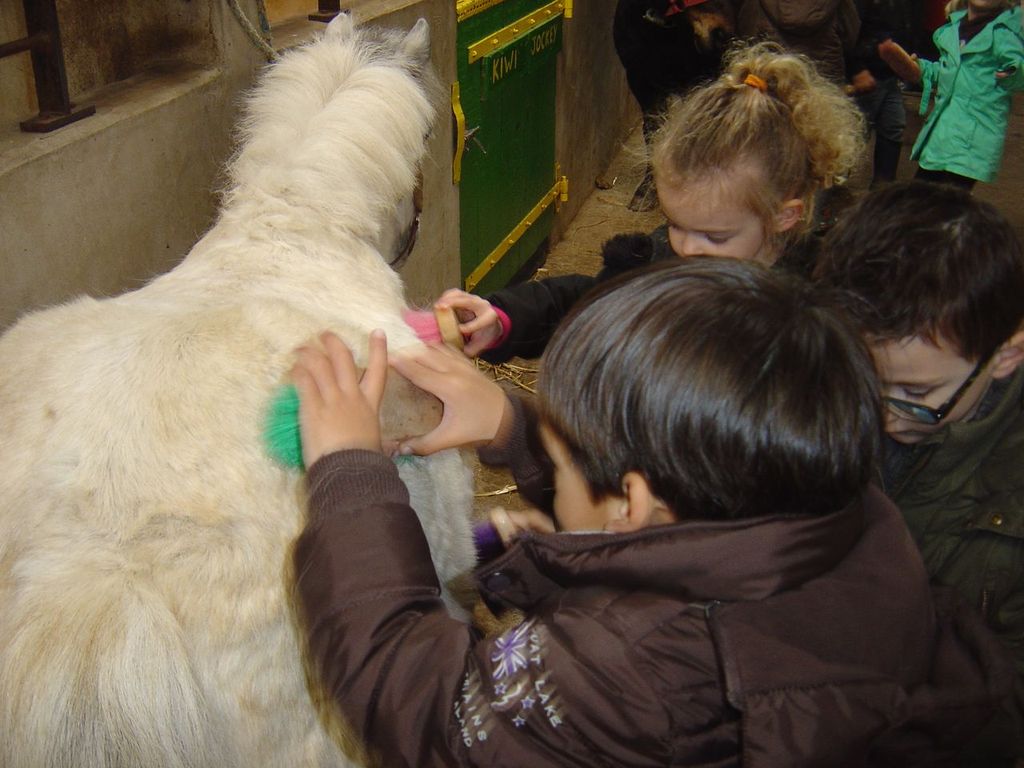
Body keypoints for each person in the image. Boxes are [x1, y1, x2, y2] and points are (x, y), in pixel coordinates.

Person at [290, 258, 1010, 767]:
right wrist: (512, 426)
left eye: (561, 456)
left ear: (632, 504)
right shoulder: (844, 508)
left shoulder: (626, 670)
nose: (552, 461)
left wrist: (350, 477)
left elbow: (417, 703)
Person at [437, 40, 865, 361]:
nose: (686, 248)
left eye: (715, 237)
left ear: (783, 216)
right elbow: (587, 303)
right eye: (675, 223)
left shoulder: (816, 327)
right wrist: (505, 319)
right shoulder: (662, 259)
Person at [814, 181, 1024, 766]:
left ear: (1005, 355)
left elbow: (1010, 702)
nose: (884, 416)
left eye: (916, 394)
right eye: (864, 378)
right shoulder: (812, 391)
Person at [878, 0, 1024, 190]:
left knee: (935, 201)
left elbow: (1018, 72)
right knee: (921, 197)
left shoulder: (1005, 33)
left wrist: (1013, 71)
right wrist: (920, 69)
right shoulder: (955, 28)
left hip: (972, 141)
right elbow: (948, 73)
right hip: (943, 134)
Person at [849, 0, 914, 186]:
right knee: (852, 139)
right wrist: (856, 69)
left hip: (890, 76)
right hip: (865, 76)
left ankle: (881, 193)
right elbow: (847, 32)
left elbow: (906, 26)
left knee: (893, 128)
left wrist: (906, 57)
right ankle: (829, 195)